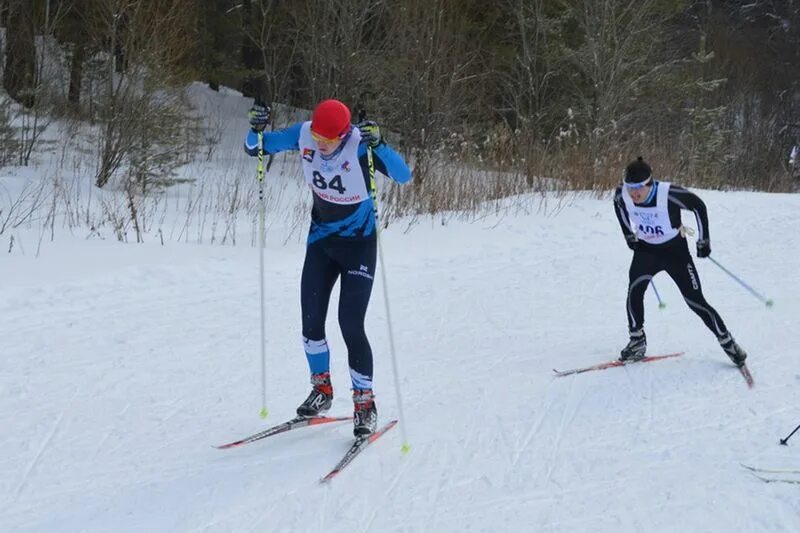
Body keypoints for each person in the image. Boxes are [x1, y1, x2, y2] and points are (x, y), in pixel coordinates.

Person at [244, 99, 412, 437]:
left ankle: (365, 404)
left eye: (329, 140)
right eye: (318, 137)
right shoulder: (305, 133)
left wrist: (379, 144)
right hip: (321, 242)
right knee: (310, 323)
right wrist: (255, 128)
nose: (321, 144)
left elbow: (403, 175)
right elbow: (257, 148)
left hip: (358, 246)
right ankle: (322, 390)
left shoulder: (359, 146)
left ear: (345, 134)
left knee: (350, 323)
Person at [612, 156, 747, 367]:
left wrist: (704, 241)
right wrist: (629, 234)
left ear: (650, 183)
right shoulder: (623, 194)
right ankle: (637, 341)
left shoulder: (669, 194)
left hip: (676, 253)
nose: (634, 193)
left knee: (695, 301)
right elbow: (618, 205)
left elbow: (698, 207)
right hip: (646, 251)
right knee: (634, 291)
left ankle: (727, 342)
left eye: (638, 187)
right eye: (630, 187)